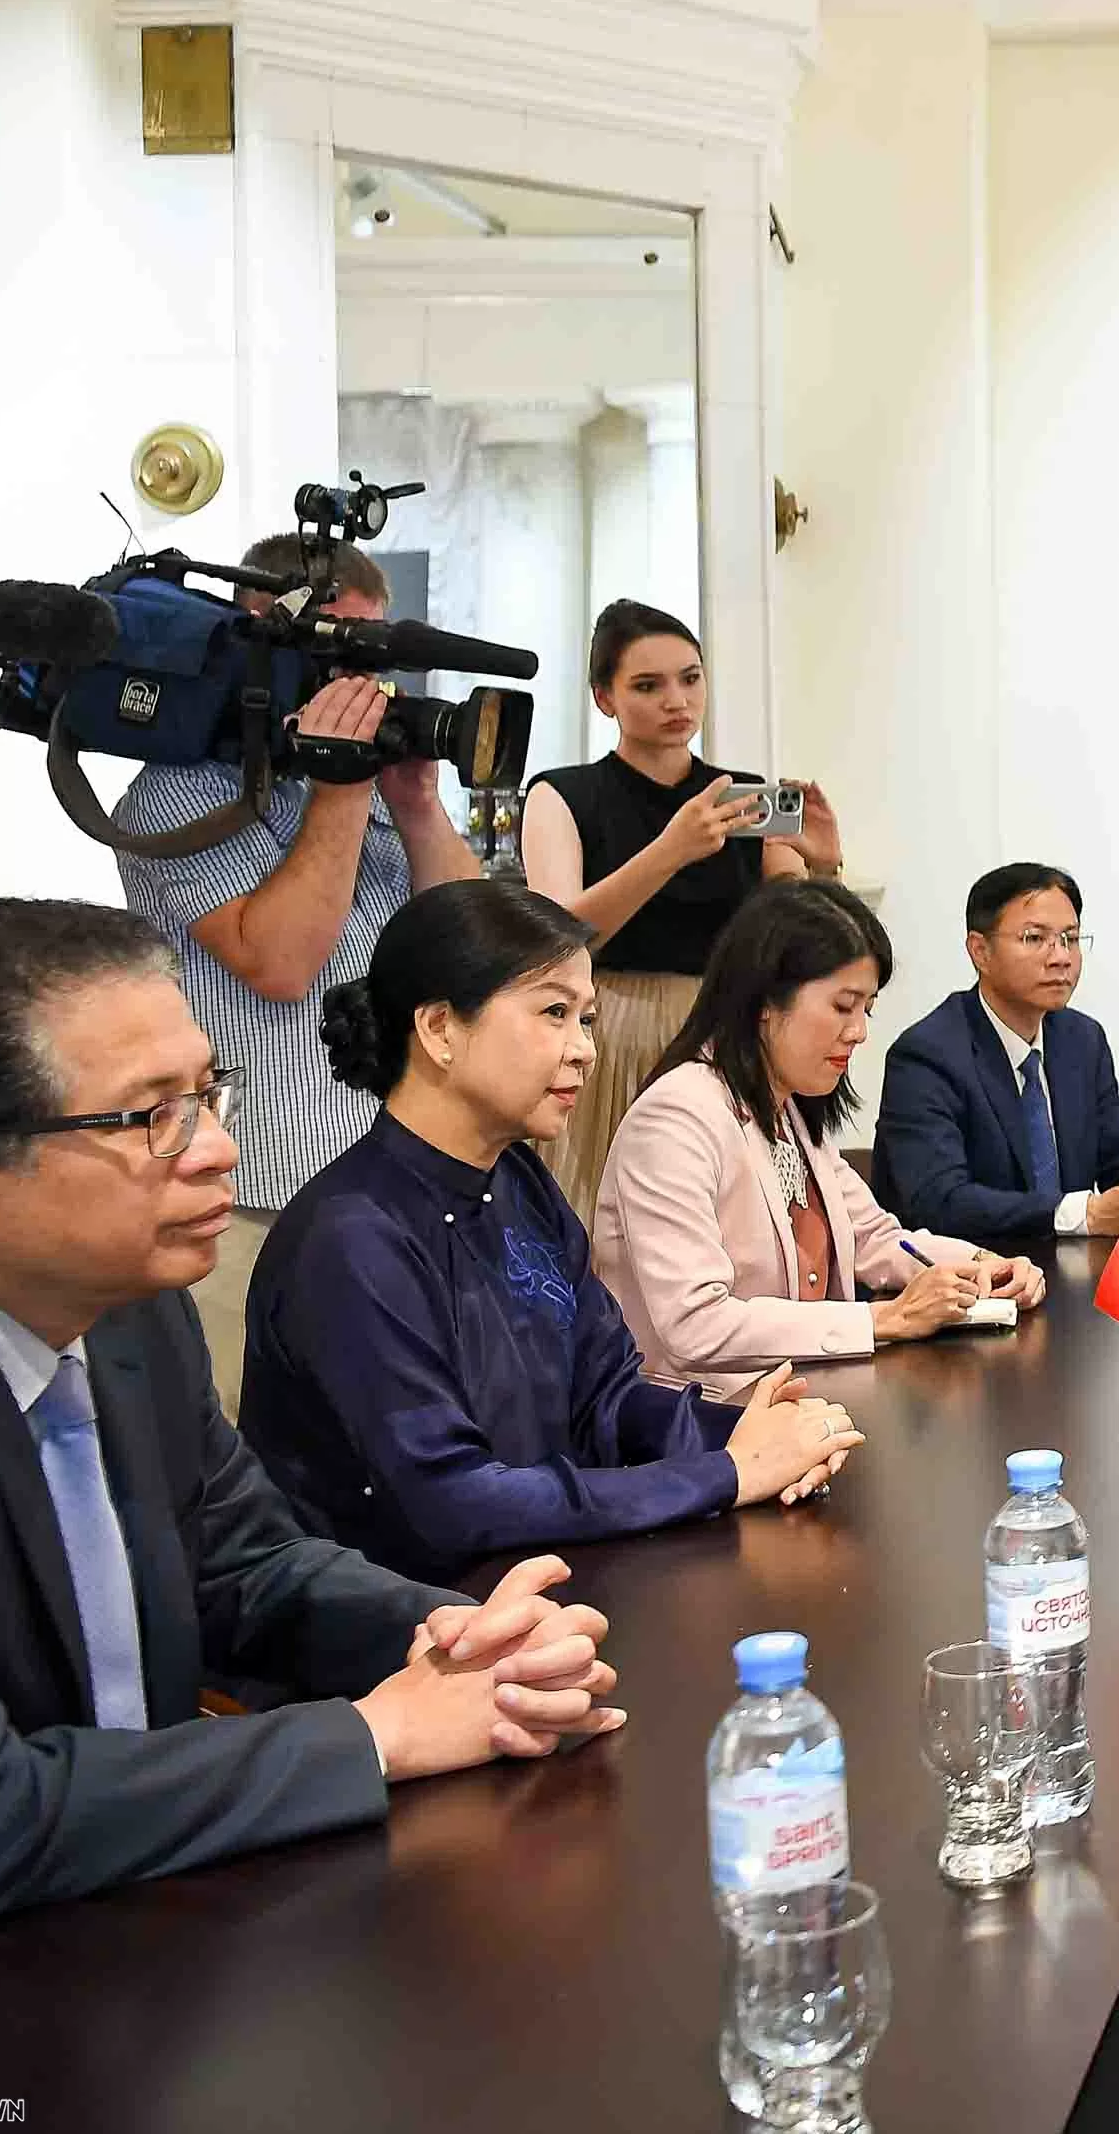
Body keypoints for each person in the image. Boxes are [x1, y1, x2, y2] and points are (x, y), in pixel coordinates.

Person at [0, 900, 623, 1994]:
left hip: (144, 1925)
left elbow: (249, 1565)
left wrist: (460, 1636)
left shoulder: (132, 1307)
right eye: (153, 1117)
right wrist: (376, 1736)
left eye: (207, 1093)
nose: (218, 1150)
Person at [237, 881, 863, 1581]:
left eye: (586, 1019)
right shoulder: (350, 1238)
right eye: (555, 1013)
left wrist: (755, 1436)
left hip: (546, 1580)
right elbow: (454, 1502)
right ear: (439, 1029)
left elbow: (607, 1398)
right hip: (417, 1617)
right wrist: (727, 1472)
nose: (585, 1050)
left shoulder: (518, 1178)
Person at [113, 536, 481, 1408]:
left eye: (373, 659)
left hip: (397, 1178)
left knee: (393, 1430)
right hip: (251, 1192)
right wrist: (340, 790)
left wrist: (418, 806)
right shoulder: (178, 792)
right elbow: (280, 963)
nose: (360, 688)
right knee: (241, 1432)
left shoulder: (378, 790)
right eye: (336, 657)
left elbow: (469, 947)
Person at [595, 881, 1043, 1395]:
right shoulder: (676, 1118)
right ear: (765, 1000)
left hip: (794, 1404)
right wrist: (884, 1319)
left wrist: (983, 1265)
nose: (859, 1032)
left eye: (866, 1010)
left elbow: (876, 1238)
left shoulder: (789, 1109)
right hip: (696, 1421)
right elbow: (695, 1322)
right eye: (843, 1006)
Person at [519, 601, 845, 1221]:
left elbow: (794, 940)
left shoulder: (743, 794)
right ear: (605, 698)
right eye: (648, 685)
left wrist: (824, 867)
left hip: (727, 1029)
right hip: (610, 1028)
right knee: (601, 1220)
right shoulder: (562, 793)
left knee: (736, 1225)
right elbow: (554, 940)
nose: (677, 700)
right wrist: (670, 851)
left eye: (690, 678)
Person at [872, 861, 1119, 1248]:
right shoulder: (927, 1055)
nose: (1061, 957)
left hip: (1074, 1272)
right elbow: (939, 1202)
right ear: (980, 951)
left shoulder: (1082, 1040)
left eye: (1070, 939)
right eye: (1034, 938)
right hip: (971, 1276)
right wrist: (1082, 1213)